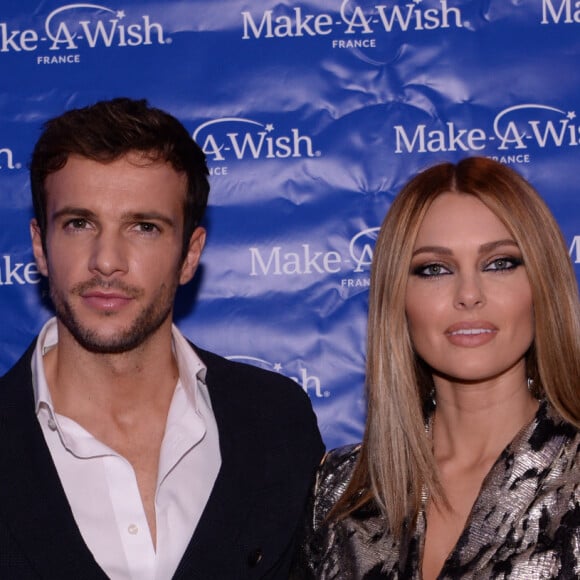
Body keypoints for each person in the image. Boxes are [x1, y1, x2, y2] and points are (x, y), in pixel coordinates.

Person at [0, 97, 325, 579]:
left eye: (144, 227)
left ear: (190, 254)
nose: (107, 259)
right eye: (79, 223)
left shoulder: (277, 423)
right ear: (39, 246)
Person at [292, 157, 580, 579]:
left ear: (542, 284)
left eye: (499, 263)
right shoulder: (342, 490)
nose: (468, 294)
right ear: (399, 300)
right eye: (434, 269)